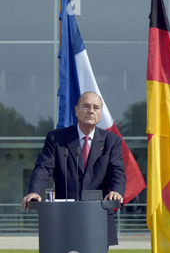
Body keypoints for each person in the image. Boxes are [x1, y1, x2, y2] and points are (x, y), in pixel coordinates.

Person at [22, 91, 126, 245]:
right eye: (86, 106)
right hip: (64, 218)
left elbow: (117, 170)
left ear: (100, 114)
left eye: (96, 108)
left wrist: (117, 190)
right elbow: (43, 167)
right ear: (76, 111)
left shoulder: (112, 141)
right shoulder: (56, 139)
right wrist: (34, 191)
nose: (91, 110)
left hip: (97, 219)